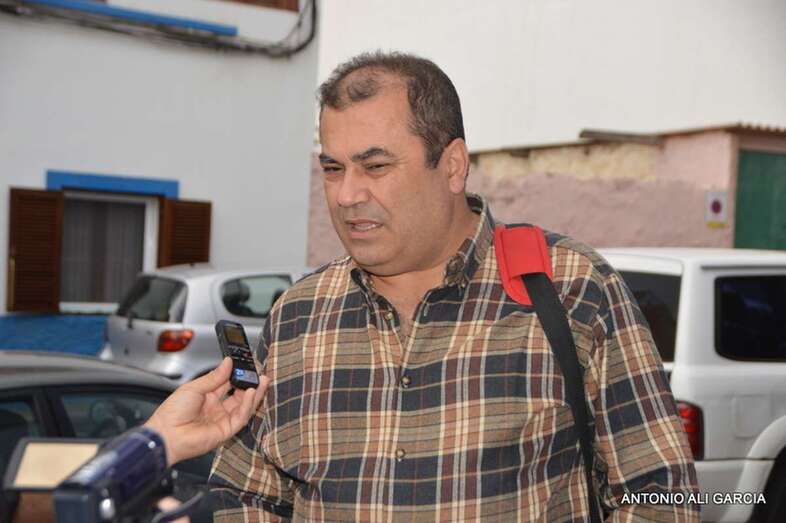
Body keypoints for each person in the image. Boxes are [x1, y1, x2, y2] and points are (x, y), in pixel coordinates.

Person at [207, 51, 700, 521]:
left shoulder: (571, 289)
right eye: (333, 169)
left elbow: (660, 493)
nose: (347, 195)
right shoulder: (297, 316)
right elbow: (247, 491)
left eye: (375, 166)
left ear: (452, 165)